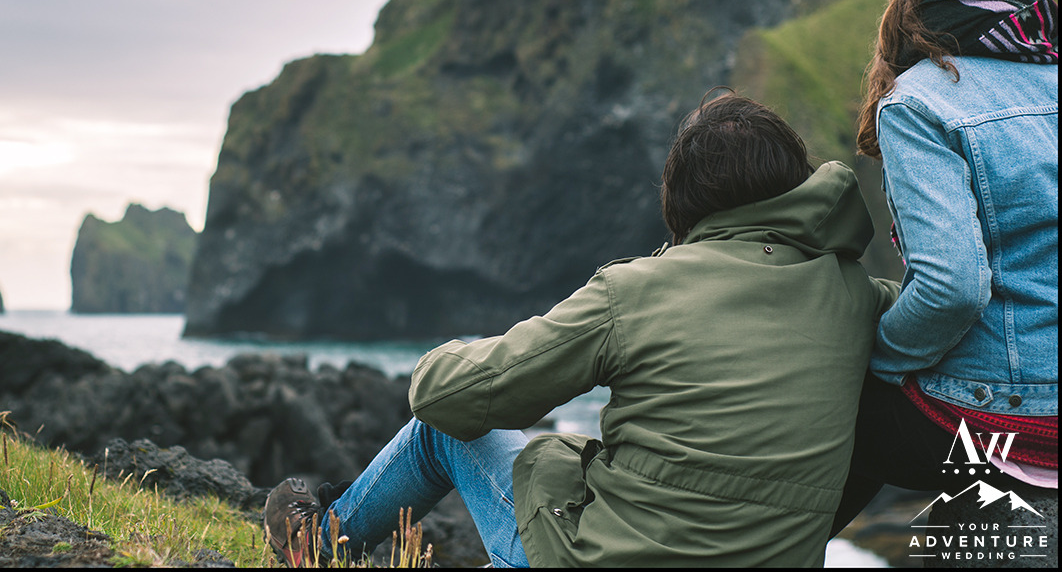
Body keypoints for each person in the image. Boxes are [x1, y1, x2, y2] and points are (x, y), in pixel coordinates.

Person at [264, 93, 900, 567]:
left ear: (683, 199)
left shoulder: (638, 290)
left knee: (441, 433)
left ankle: (318, 545)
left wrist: (446, 355)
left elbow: (446, 397)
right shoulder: (863, 303)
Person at [830, 0, 1059, 534]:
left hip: (1006, 415)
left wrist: (877, 357)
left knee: (827, 402)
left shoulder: (922, 102)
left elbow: (952, 289)